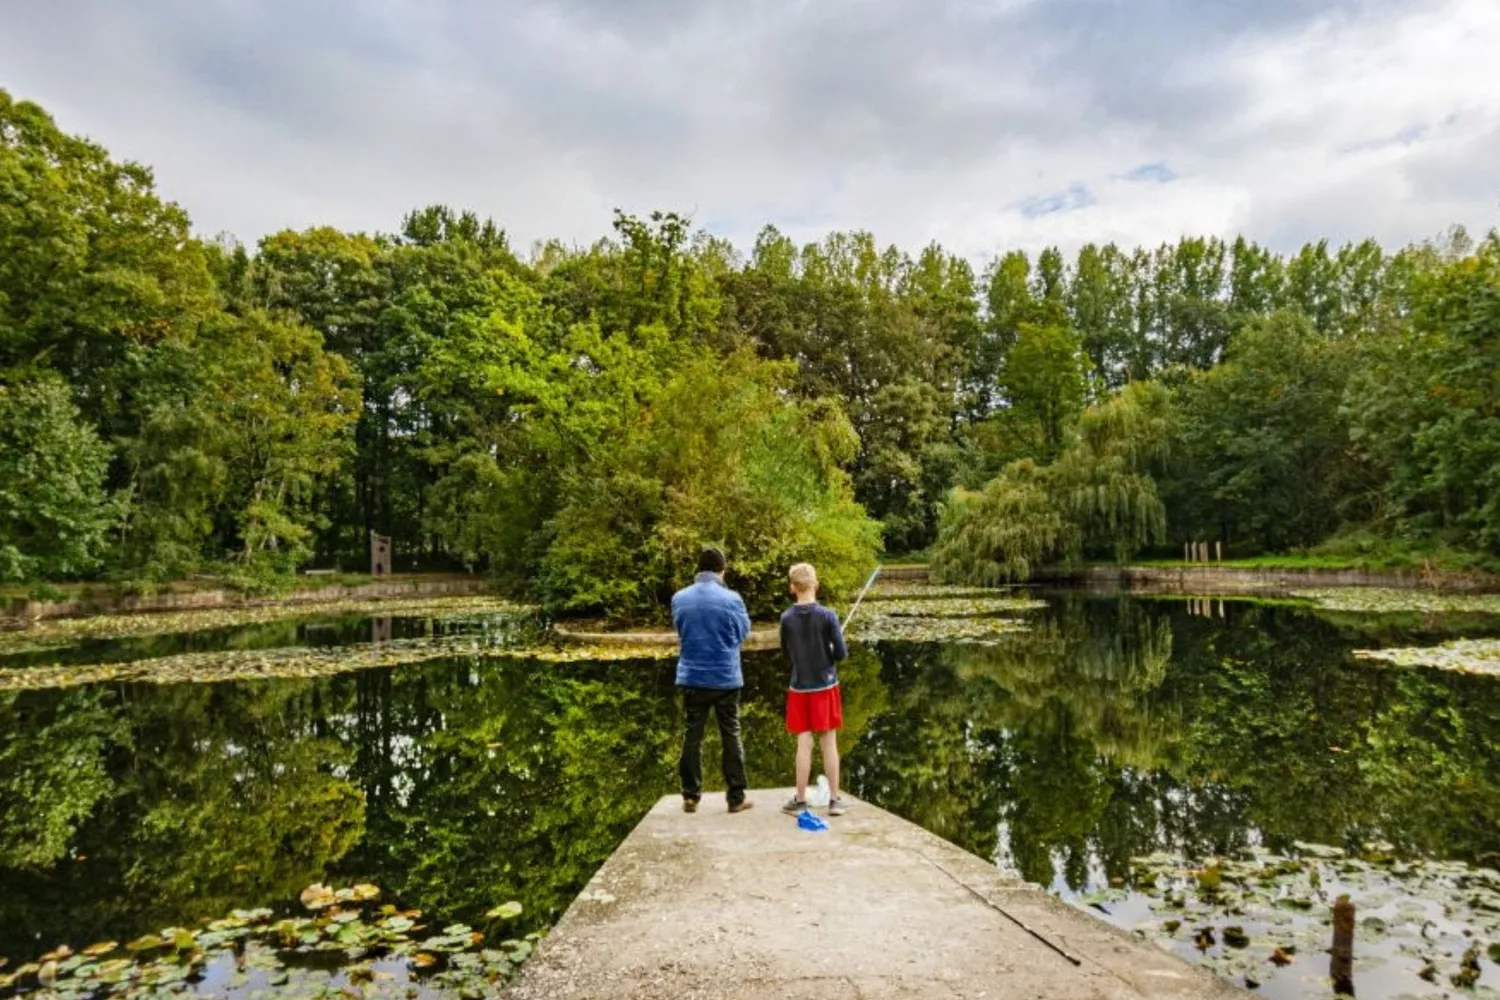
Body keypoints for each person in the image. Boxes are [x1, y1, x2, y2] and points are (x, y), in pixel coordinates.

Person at [672, 547, 754, 814]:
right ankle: (735, 797)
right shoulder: (732, 599)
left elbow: (681, 630)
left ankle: (691, 795)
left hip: (692, 677)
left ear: (698, 570)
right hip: (726, 678)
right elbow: (743, 633)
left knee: (692, 735)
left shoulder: (679, 598)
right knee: (730, 734)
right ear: (722, 570)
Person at [778, 562, 850, 817]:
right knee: (828, 742)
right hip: (825, 686)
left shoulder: (786, 618)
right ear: (815, 585)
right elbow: (841, 654)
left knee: (803, 743)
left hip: (799, 687)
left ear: (792, 588)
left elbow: (787, 654)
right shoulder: (828, 615)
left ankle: (799, 800)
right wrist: (830, 648)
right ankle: (835, 800)